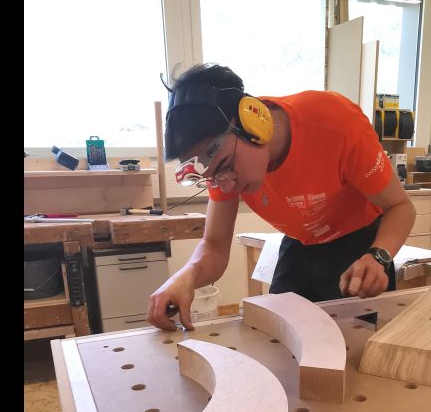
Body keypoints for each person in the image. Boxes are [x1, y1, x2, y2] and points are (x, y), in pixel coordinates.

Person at [147, 63, 415, 331]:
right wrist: (185, 277)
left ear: (253, 124)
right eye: (212, 178)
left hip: (359, 245)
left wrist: (378, 257)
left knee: (356, 342)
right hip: (300, 244)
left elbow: (401, 207)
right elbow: (215, 246)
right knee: (275, 335)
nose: (226, 187)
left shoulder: (335, 122)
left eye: (225, 166)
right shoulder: (223, 167)